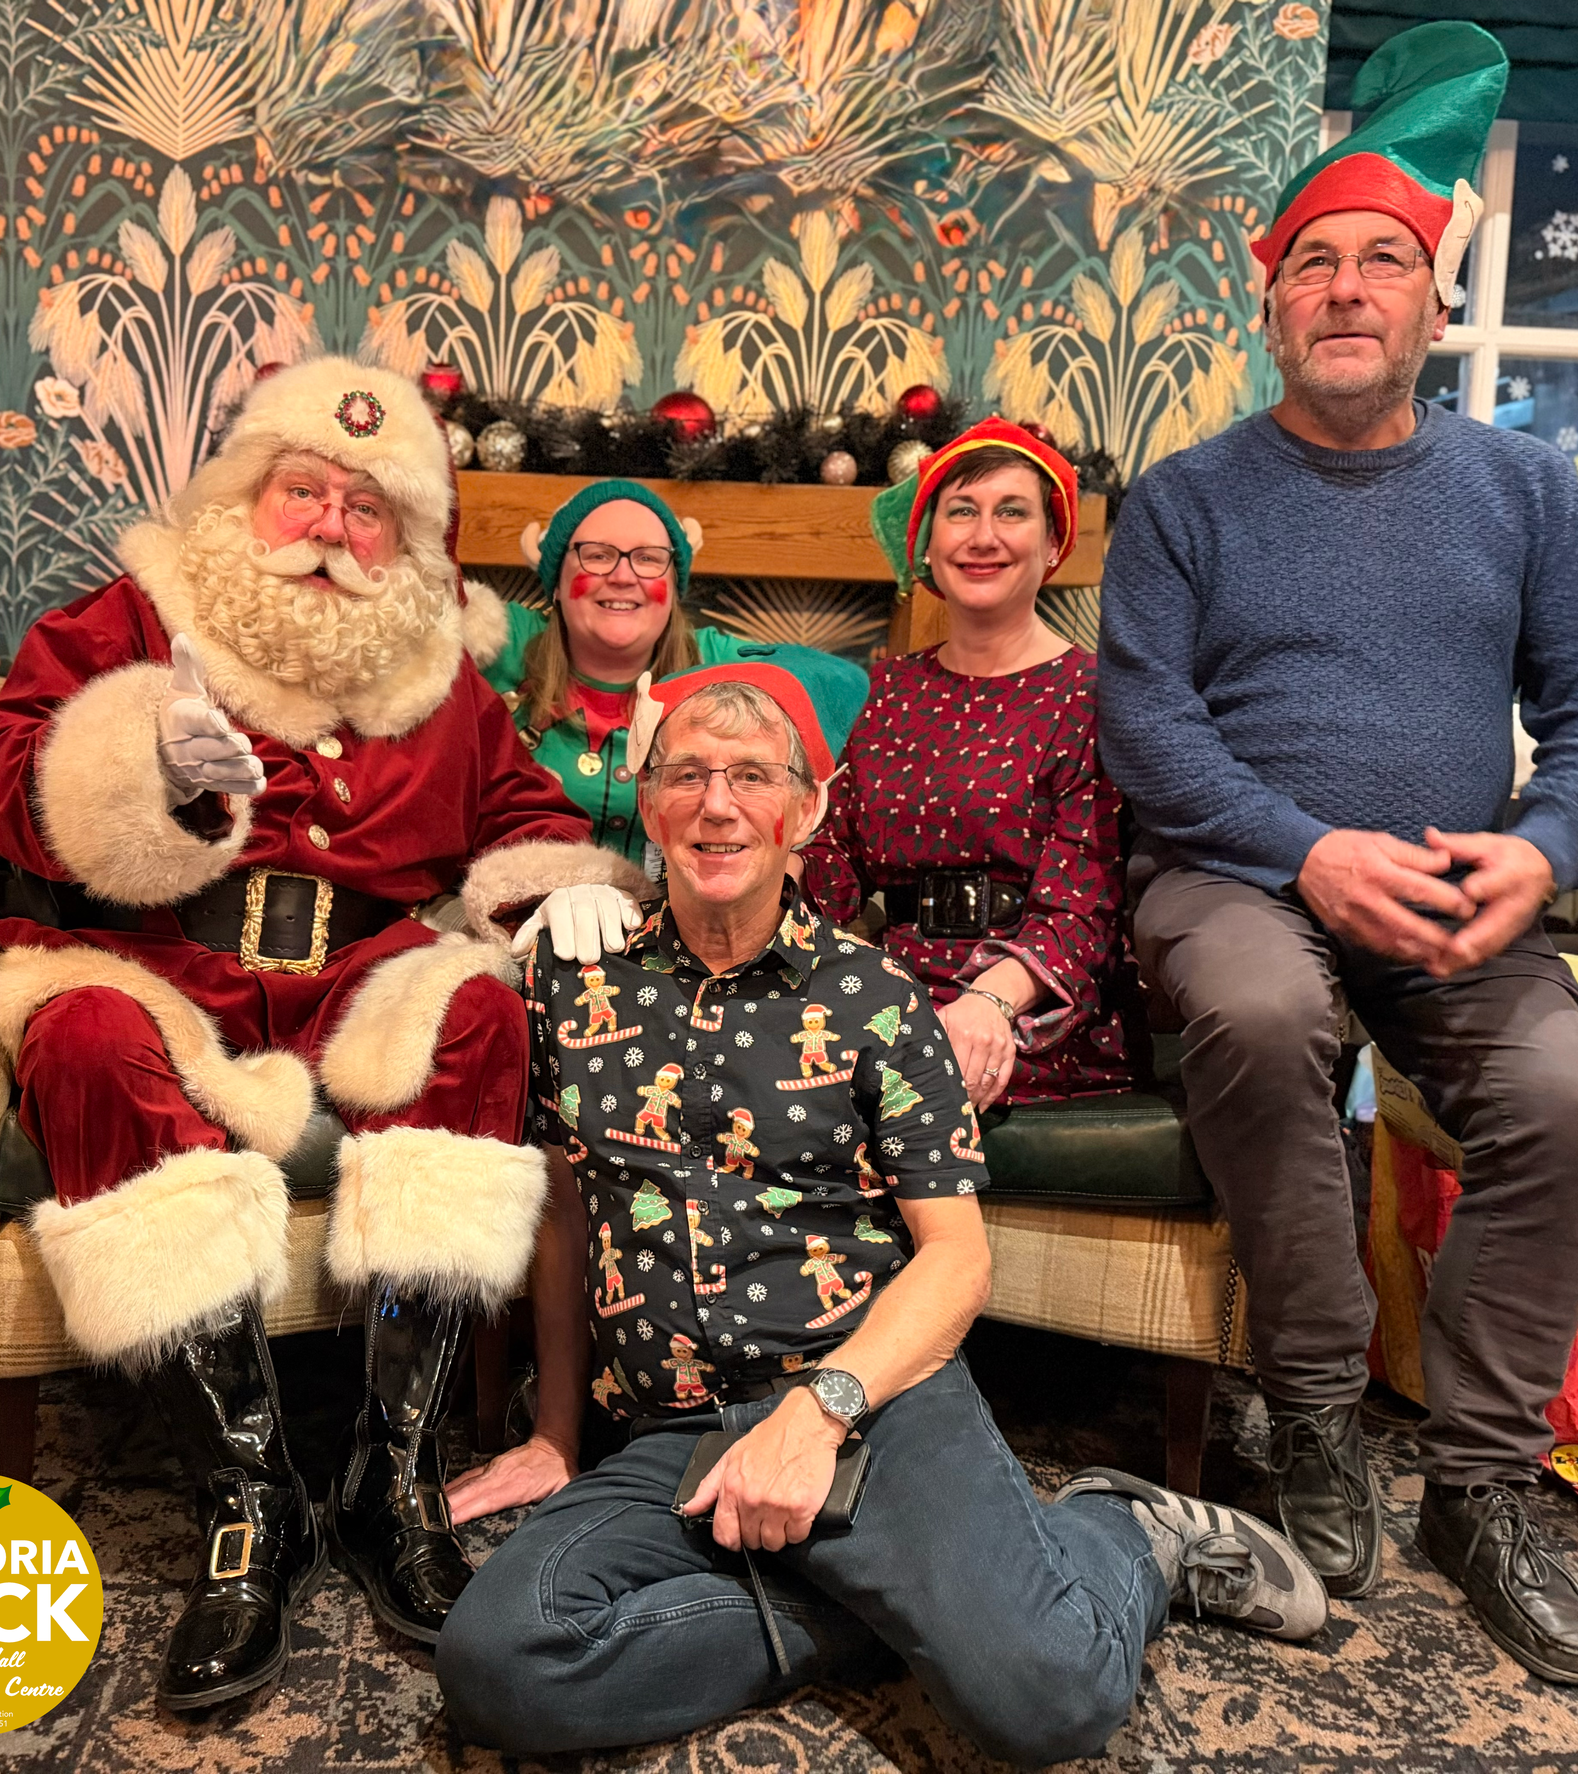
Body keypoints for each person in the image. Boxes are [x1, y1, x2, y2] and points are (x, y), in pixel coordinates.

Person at [429, 661, 1326, 1764]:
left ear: (808, 811)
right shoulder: (573, 987)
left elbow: (957, 1259)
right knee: (498, 1660)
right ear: (650, 807)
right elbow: (566, 1212)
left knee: (1050, 1698)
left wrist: (818, 1416)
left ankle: (1122, 1531)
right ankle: (891, 1618)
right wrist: (557, 1435)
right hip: (674, 1432)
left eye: (753, 776)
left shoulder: (877, 999)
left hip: (873, 1398)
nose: (718, 804)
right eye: (689, 775)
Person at [0, 356, 649, 1709]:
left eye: (366, 508)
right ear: (245, 497)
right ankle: (251, 1496)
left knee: (478, 1012)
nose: (331, 524)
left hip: (353, 971)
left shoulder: (438, 671)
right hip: (155, 955)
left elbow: (521, 811)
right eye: (305, 491)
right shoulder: (135, 614)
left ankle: (391, 1475)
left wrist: (559, 880)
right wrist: (138, 767)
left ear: (405, 539)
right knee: (83, 1038)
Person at [1096, 22, 1578, 1686]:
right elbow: (1147, 724)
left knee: (1572, 1100)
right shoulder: (1186, 498)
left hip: (1457, 894)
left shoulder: (1529, 489)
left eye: (1383, 261)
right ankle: (1318, 1414)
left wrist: (1545, 848)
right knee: (1265, 1010)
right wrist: (1308, 848)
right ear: (1272, 306)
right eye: (1315, 264)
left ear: (1429, 303)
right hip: (1233, 876)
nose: (1346, 288)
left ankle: (1481, 1484)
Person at [797, 417, 1129, 1110]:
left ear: (1053, 542)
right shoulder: (883, 692)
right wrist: (764, 873)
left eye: (1011, 512)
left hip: (1033, 1011)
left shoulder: (1094, 697)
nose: (983, 536)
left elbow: (1083, 906)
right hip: (887, 992)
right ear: (928, 542)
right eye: (961, 512)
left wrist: (989, 1002)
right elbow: (832, 863)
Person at [479, 478, 870, 871]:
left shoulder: (716, 660)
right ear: (557, 583)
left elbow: (843, 687)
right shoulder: (499, 640)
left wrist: (794, 865)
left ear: (673, 586)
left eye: (648, 559)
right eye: (597, 555)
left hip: (682, 904)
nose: (623, 576)